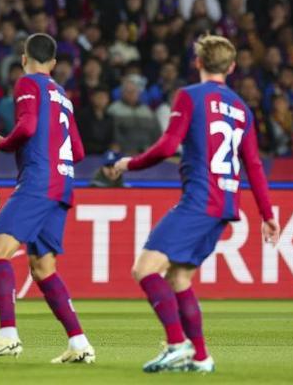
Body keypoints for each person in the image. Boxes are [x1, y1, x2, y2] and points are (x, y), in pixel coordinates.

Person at [114, 35, 280, 373]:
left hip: (199, 200)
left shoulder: (190, 96)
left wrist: (128, 163)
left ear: (198, 62)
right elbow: (254, 166)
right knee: (179, 279)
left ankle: (176, 344)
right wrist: (268, 214)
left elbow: (166, 146)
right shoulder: (242, 109)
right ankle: (201, 357)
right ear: (232, 67)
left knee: (144, 269)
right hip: (223, 206)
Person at [0, 33, 94, 364]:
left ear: (24, 58)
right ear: (53, 63)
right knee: (42, 267)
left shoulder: (28, 83)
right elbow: (79, 151)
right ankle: (79, 342)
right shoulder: (63, 95)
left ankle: (7, 335)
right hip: (63, 184)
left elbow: (26, 126)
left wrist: (3, 143)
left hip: (39, 181)